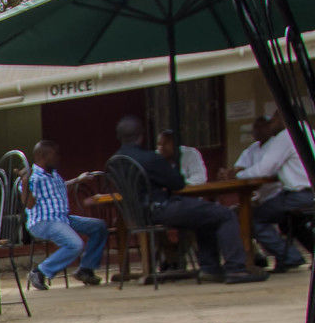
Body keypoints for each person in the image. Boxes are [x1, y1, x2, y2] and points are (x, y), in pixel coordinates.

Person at [110, 115, 264, 284]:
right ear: (141, 136)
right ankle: (236, 269)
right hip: (162, 209)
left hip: (135, 215)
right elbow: (177, 183)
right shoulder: (150, 158)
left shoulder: (114, 162)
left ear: (118, 137)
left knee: (205, 215)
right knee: (224, 214)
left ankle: (210, 268)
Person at [230, 115, 315, 272]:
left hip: (302, 195)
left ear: (282, 118)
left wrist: (237, 176)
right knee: (289, 221)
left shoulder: (287, 136)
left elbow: (265, 169)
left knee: (252, 217)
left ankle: (289, 257)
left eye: (273, 120)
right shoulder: (310, 132)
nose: (270, 125)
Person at [20, 141, 108, 289]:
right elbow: (28, 205)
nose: (59, 158)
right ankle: (39, 271)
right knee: (75, 245)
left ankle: (85, 269)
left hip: (63, 219)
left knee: (98, 226)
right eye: (55, 155)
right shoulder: (32, 178)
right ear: (43, 156)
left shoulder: (52, 173)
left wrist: (78, 179)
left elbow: (60, 186)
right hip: (43, 221)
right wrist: (24, 182)